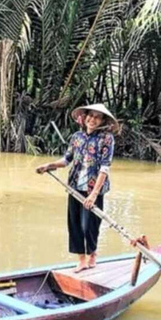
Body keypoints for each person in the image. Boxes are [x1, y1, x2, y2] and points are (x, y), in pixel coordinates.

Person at [36, 104, 118, 273]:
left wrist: (94, 194)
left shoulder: (106, 138)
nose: (92, 119)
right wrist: (49, 165)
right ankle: (81, 259)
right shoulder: (77, 137)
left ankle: (92, 254)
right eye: (90, 115)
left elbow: (104, 167)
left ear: (103, 121)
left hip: (93, 189)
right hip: (74, 186)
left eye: (97, 117)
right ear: (85, 117)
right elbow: (66, 160)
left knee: (90, 225)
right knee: (74, 224)